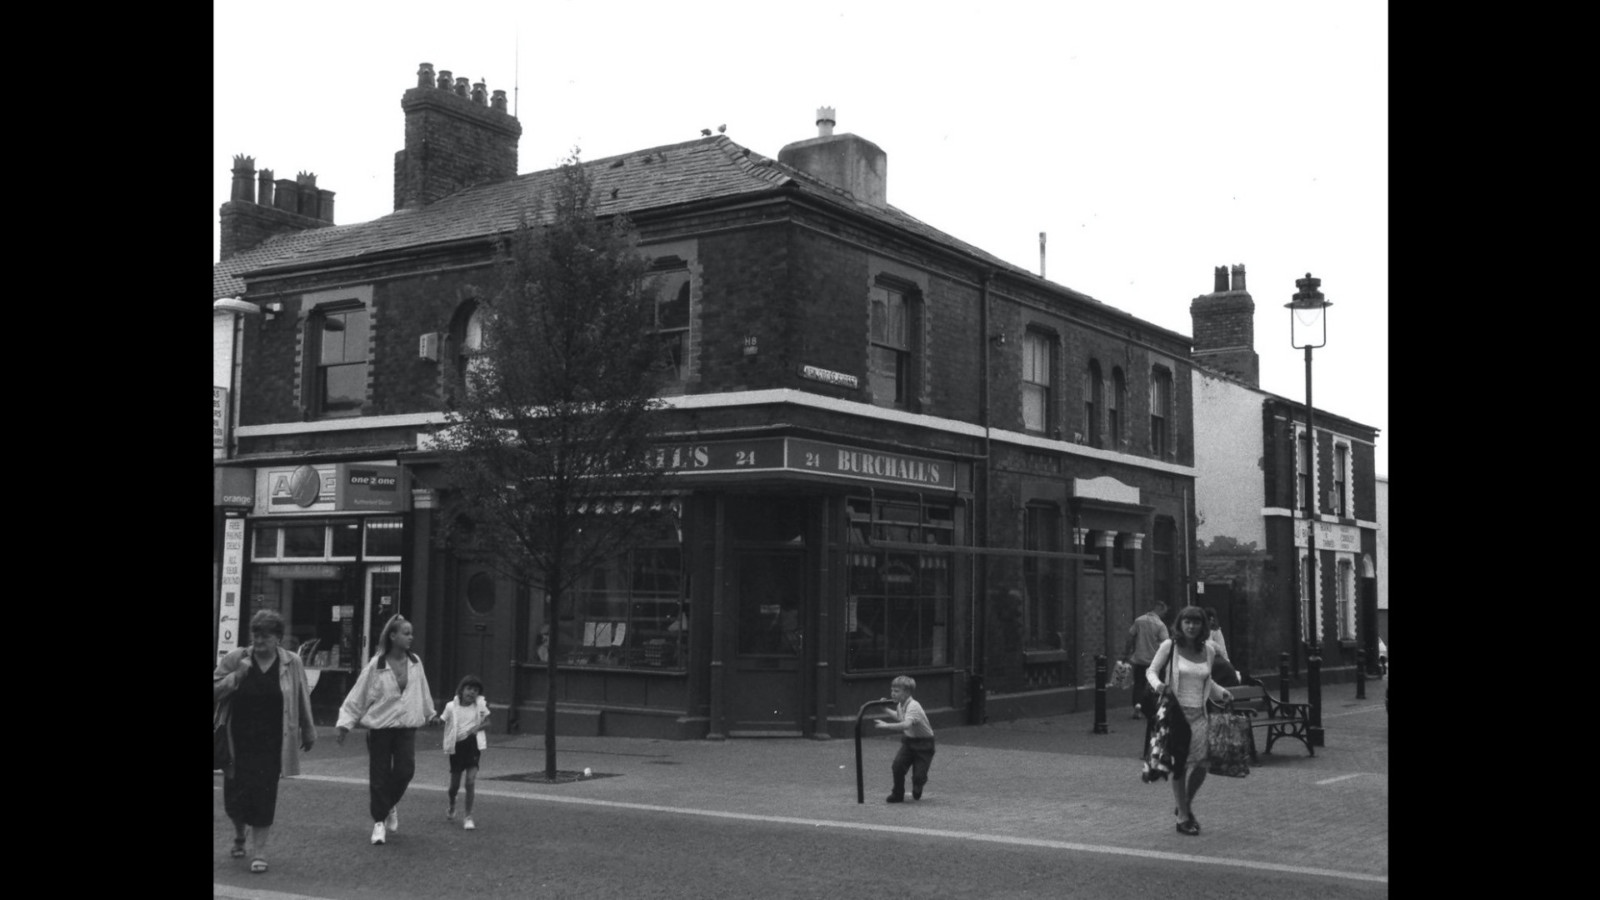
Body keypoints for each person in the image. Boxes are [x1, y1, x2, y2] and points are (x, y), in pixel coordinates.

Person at [214, 609, 316, 874]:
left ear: (278, 638)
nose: (258, 641)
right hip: (237, 740)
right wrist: (237, 676)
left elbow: (302, 696)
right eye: (256, 635)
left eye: (265, 636)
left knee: (264, 795)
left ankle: (259, 852)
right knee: (235, 799)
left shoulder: (291, 662)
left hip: (273, 742)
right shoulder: (238, 658)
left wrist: (308, 729)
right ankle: (239, 834)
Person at [336, 614, 439, 845]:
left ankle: (389, 804)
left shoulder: (415, 662)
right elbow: (358, 695)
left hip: (406, 727)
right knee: (379, 776)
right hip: (380, 728)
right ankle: (379, 822)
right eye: (406, 632)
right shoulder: (376, 664)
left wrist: (430, 713)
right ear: (392, 636)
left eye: (411, 633)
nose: (411, 636)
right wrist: (345, 723)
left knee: (405, 771)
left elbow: (423, 689)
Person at [1146, 606, 1232, 836]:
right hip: (1176, 714)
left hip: (1199, 714)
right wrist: (1159, 686)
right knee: (1180, 764)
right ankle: (1183, 816)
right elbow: (1151, 671)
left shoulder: (1209, 651)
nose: (1191, 626)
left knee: (1202, 765)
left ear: (1203, 626)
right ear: (1180, 624)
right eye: (1187, 622)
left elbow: (1206, 680)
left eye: (1196, 622)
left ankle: (1184, 804)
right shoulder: (1170, 646)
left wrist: (1221, 692)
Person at [873, 675, 936, 803]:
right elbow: (900, 717)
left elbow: (906, 724)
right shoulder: (901, 705)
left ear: (907, 692)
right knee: (897, 766)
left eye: (896, 691)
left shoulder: (913, 706)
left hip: (924, 744)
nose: (892, 694)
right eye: (892, 690)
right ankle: (897, 794)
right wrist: (885, 709)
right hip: (909, 741)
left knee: (919, 775)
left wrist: (886, 726)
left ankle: (918, 784)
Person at [440, 674, 491, 830]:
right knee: (454, 785)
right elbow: (442, 720)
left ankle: (468, 816)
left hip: (473, 746)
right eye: (469, 689)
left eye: (475, 690)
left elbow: (488, 722)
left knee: (470, 781)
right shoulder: (451, 707)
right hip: (457, 747)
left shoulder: (480, 707)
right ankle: (452, 803)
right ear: (461, 690)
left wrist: (478, 727)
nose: (471, 693)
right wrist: (434, 720)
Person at [1122, 599, 1169, 722]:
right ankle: (1154, 709)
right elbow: (1166, 644)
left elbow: (1129, 638)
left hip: (1139, 660)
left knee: (1139, 684)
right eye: (1164, 612)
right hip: (1155, 662)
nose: (1164, 615)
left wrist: (1127, 654)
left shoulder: (1139, 621)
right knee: (1155, 685)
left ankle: (1138, 705)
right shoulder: (1160, 625)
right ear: (1159, 609)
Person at [1204, 607, 1240, 687]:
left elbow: (1222, 650)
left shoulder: (1216, 631)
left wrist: (1228, 665)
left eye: (1213, 618)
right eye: (1209, 618)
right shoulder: (1200, 632)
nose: (1211, 621)